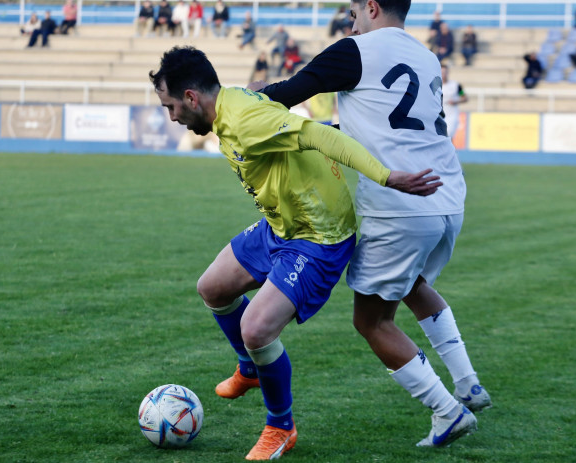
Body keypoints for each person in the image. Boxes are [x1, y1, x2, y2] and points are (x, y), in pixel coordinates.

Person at [149, 45, 442, 460]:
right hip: (281, 226)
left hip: (318, 236)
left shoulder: (245, 119)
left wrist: (386, 176)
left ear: (192, 98)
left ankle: (280, 427)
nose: (172, 116)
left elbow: (317, 134)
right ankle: (249, 368)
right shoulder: (231, 104)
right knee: (213, 288)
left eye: (171, 106)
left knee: (256, 329)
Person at [256, 0, 490, 448]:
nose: (350, 20)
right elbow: (380, 117)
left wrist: (240, 98)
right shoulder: (425, 55)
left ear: (371, 7)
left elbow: (287, 92)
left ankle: (448, 412)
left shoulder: (354, 50)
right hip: (447, 196)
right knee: (414, 283)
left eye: (352, 10)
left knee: (372, 321)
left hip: (400, 203)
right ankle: (468, 384)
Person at [441, 63, 468, 140]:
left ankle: (451, 152)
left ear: (448, 72)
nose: (443, 74)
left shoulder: (456, 86)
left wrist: (455, 102)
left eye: (445, 72)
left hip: (452, 116)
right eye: (442, 72)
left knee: (449, 136)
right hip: (439, 116)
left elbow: (464, 97)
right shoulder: (435, 86)